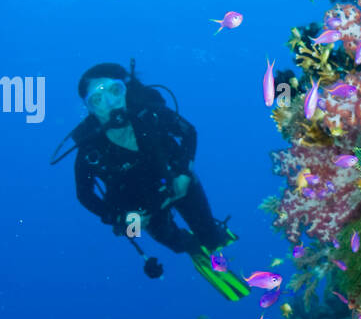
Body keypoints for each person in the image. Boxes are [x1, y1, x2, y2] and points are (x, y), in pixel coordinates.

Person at [52, 62, 248, 298]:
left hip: (177, 184)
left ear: (125, 90)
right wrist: (120, 218)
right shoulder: (90, 150)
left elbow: (188, 132)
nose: (110, 104)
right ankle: (190, 247)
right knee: (170, 241)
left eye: (115, 91)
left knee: (211, 235)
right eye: (97, 100)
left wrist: (185, 172)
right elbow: (84, 195)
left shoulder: (151, 114)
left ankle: (213, 241)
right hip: (137, 209)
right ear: (90, 110)